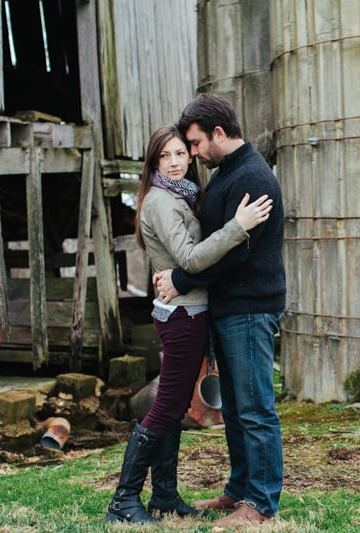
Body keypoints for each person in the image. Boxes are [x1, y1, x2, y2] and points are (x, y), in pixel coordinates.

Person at [107, 124, 273, 524]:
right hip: (181, 316)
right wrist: (239, 225)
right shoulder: (163, 202)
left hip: (188, 312)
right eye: (165, 156)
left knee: (175, 404)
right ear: (154, 163)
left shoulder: (184, 196)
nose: (175, 162)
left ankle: (163, 497)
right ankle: (123, 500)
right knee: (166, 407)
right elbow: (190, 259)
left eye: (181, 153)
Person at [153, 94, 286, 528]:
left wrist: (182, 280)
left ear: (218, 134)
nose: (191, 154)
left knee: (255, 407)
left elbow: (234, 255)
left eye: (193, 144)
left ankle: (262, 504)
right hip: (229, 309)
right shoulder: (227, 173)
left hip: (250, 307)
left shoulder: (254, 178)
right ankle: (239, 489)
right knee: (235, 408)